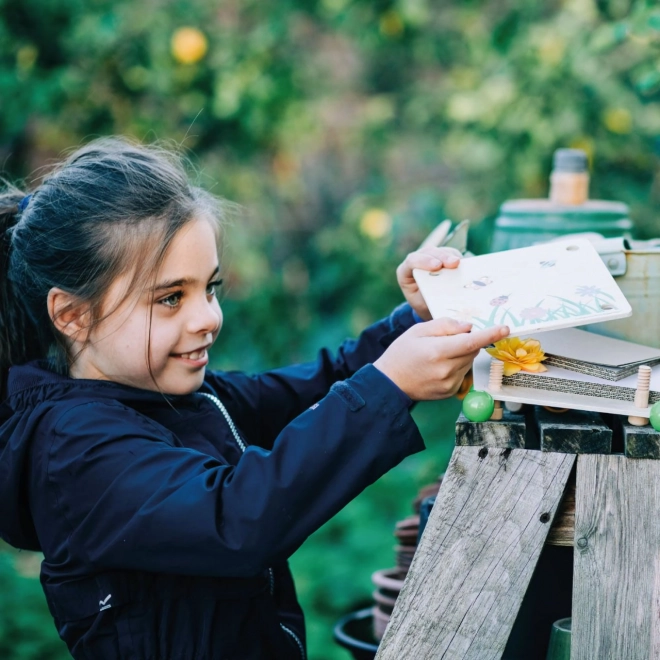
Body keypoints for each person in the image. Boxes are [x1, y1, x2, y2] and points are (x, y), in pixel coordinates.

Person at [0, 138, 508, 660]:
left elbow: (318, 387)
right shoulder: (74, 450)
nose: (207, 319)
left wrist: (412, 323)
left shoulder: (173, 394)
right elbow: (236, 519)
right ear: (72, 315)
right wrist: (389, 384)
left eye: (210, 288)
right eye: (171, 298)